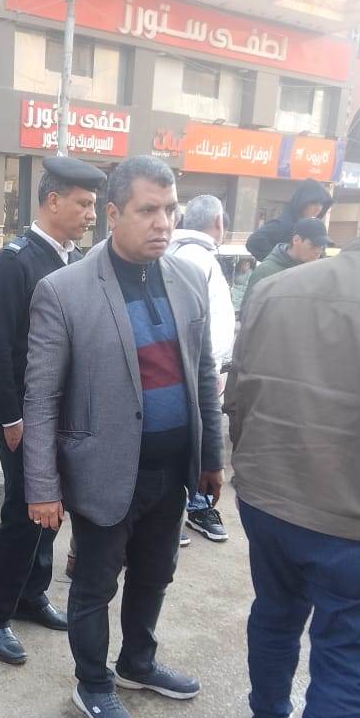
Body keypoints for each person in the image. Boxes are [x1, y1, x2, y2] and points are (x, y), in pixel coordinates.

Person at [23, 156, 224, 718]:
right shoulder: (64, 290)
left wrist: (211, 455)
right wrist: (42, 487)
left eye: (171, 210)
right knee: (94, 586)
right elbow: (41, 398)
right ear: (113, 214)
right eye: (148, 210)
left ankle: (138, 662)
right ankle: (93, 684)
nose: (163, 223)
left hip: (171, 469)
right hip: (105, 472)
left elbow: (202, 373)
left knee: (156, 574)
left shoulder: (187, 279)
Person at [227, 212, 360, 718]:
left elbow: (238, 388)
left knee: (275, 609)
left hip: (269, 496)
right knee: (346, 670)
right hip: (352, 521)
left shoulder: (277, 287)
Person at [0, 155, 104, 665]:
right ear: (53, 201)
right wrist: (9, 417)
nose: (92, 214)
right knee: (24, 513)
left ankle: (32, 594)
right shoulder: (15, 262)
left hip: (62, 415)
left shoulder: (75, 261)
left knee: (51, 511)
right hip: (25, 418)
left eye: (93, 205)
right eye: (84, 204)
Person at [166, 195, 235, 544]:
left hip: (203, 368)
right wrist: (208, 369)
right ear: (218, 222)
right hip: (195, 370)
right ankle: (182, 510)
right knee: (191, 438)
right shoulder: (194, 258)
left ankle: (187, 509)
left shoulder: (190, 254)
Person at [243, 217, 332, 304]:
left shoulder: (317, 273)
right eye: (314, 245)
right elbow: (248, 309)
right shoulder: (266, 271)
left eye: (321, 247)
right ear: (296, 240)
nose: (318, 251)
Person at [246, 179, 332, 261]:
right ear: (303, 201)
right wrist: (279, 262)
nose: (318, 208)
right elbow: (254, 241)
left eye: (321, 204)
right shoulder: (284, 224)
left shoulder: (314, 229)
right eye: (314, 203)